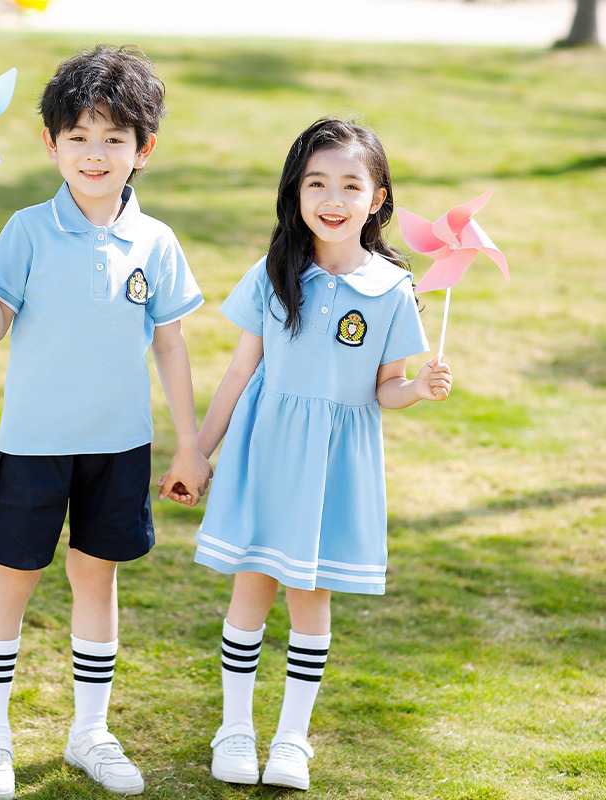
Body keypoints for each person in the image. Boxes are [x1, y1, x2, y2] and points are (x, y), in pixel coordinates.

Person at [0, 45, 212, 800]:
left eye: (113, 139)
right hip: (34, 444)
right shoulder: (27, 230)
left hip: (120, 444)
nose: (94, 154)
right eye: (78, 137)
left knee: (96, 581)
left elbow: (170, 342)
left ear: (144, 150)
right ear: (50, 143)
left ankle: (90, 733)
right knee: (14, 579)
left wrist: (190, 442)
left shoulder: (156, 242)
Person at [187, 117, 452, 790]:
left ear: (378, 198)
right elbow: (239, 372)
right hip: (266, 451)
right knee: (251, 588)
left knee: (310, 598)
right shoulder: (276, 271)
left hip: (335, 464)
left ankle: (291, 739)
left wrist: (417, 387)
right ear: (295, 191)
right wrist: (197, 452)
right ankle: (236, 728)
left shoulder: (394, 290)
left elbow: (384, 390)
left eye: (351, 185)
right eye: (317, 183)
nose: (333, 199)